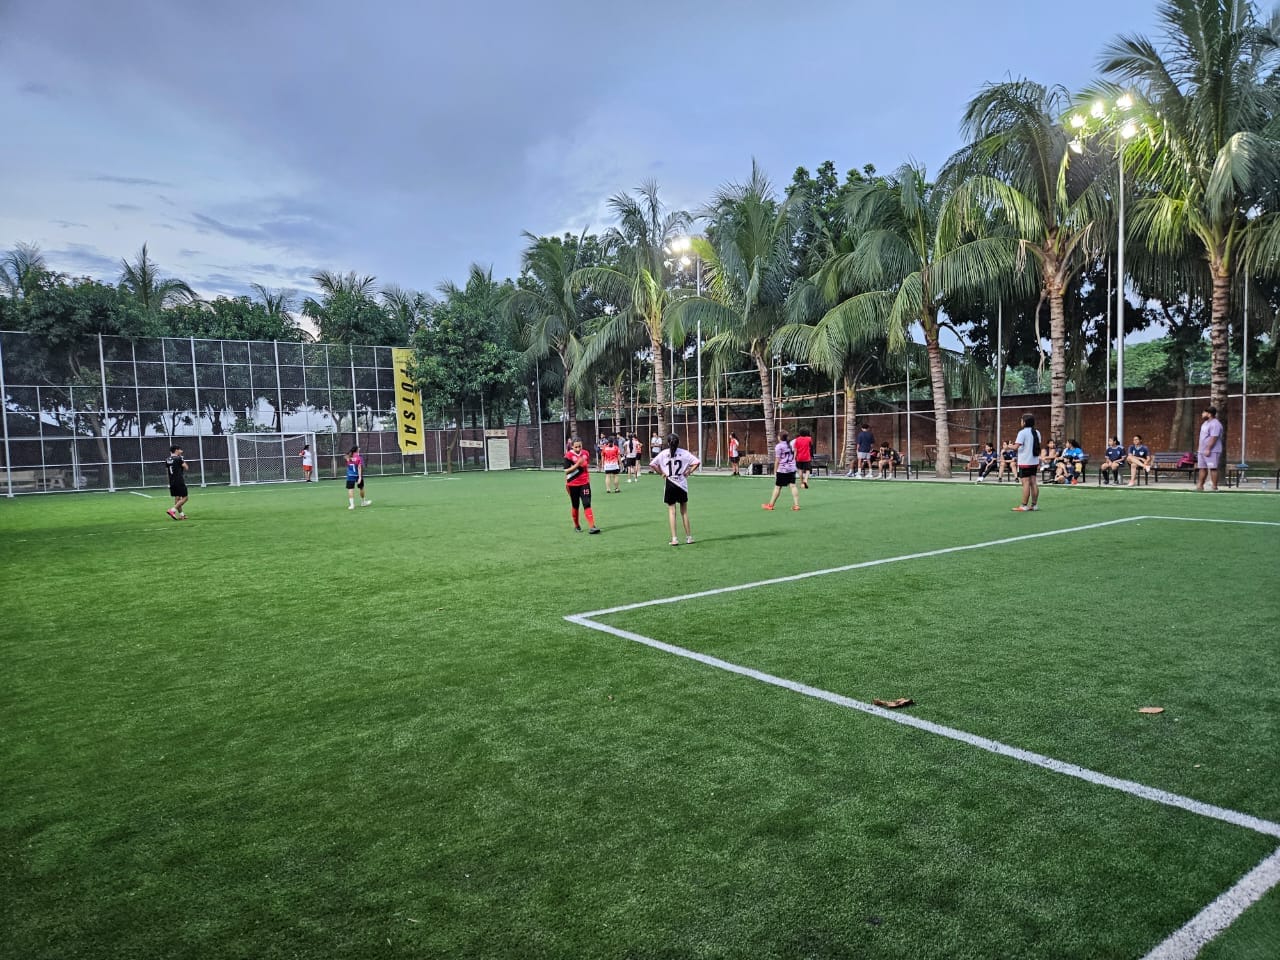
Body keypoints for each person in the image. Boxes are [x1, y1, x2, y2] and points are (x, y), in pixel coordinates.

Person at [650, 432, 700, 545]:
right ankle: (689, 537)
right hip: (681, 484)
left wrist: (662, 473)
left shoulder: (663, 454)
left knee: (672, 511)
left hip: (670, 483)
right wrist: (689, 472)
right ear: (678, 443)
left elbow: (653, 464)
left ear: (668, 443)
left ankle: (674, 538)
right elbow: (697, 462)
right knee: (684, 512)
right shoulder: (684, 453)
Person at [564, 437, 601, 533]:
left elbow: (585, 468)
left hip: (584, 483)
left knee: (587, 503)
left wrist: (588, 478)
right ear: (572, 446)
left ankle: (592, 526)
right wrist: (577, 464)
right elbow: (566, 471)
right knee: (575, 505)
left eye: (579, 446)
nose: (578, 448)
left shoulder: (586, 453)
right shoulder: (568, 456)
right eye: (576, 447)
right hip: (572, 484)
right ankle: (576, 526)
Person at [763, 431, 800, 511]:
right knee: (793, 486)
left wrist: (775, 471)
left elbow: (777, 460)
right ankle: (796, 505)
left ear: (779, 437)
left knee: (777, 487)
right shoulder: (790, 444)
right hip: (791, 468)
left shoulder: (779, 446)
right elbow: (794, 453)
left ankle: (770, 505)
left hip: (783, 469)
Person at [1012, 414, 1041, 512]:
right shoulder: (1037, 432)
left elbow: (1016, 447)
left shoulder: (1022, 433)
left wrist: (1008, 446)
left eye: (1021, 421)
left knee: (1025, 483)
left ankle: (1024, 505)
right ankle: (1034, 505)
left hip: (1025, 462)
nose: (1020, 423)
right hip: (1034, 461)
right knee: (1033, 482)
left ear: (1024, 422)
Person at [1197, 404, 1224, 492]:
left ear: (1209, 414)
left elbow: (1214, 437)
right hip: (1202, 451)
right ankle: (1200, 486)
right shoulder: (1205, 423)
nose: (1202, 414)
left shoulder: (1215, 424)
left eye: (1203, 413)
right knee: (1202, 468)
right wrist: (1200, 449)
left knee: (1213, 468)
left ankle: (1214, 487)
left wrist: (1208, 448)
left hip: (1212, 451)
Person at [165, 444, 189, 520]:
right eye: (179, 449)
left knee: (177, 497)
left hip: (172, 481)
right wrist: (182, 459)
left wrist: (169, 483)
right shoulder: (179, 458)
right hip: (179, 480)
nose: (181, 451)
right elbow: (186, 467)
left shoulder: (167, 459)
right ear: (176, 450)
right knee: (185, 498)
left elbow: (167, 472)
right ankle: (172, 510)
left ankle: (182, 515)